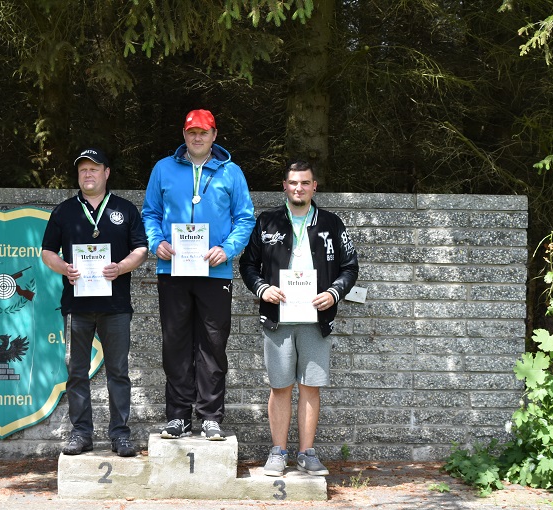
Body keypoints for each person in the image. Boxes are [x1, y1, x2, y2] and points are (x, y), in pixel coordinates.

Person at [239, 159, 358, 476]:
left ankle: (306, 453)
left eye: (305, 182)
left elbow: (350, 268)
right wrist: (262, 288)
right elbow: (247, 265)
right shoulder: (267, 222)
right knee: (280, 387)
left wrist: (334, 293)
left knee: (310, 387)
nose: (299, 188)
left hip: (316, 318)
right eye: (293, 182)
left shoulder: (332, 223)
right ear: (285, 186)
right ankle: (278, 452)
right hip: (277, 317)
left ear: (314, 186)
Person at [142, 109, 255, 441]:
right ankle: (177, 416)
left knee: (213, 344)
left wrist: (229, 248)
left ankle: (209, 416)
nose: (197, 137)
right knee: (175, 343)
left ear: (214, 135)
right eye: (192, 132)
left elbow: (245, 218)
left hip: (215, 270)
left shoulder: (231, 172)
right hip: (173, 267)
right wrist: (156, 241)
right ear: (184, 134)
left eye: (203, 132)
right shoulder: (163, 169)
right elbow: (149, 212)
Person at [41, 147, 148, 457]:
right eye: (82, 170)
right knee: (77, 372)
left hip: (115, 306)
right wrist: (64, 267)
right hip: (77, 306)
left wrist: (122, 267)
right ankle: (81, 433)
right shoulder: (63, 211)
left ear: (106, 173)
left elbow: (140, 249)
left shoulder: (125, 210)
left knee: (118, 371)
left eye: (94, 168)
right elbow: (47, 252)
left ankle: (120, 435)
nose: (88, 174)